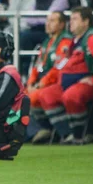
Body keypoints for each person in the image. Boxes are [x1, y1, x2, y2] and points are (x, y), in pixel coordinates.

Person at [36, 7, 93, 144]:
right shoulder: (75, 40)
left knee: (71, 96)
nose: (70, 22)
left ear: (86, 22)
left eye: (75, 19)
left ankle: (79, 134)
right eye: (70, 18)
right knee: (45, 95)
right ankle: (66, 133)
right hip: (70, 84)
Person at [27, 11, 73, 143]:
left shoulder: (65, 42)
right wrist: (30, 83)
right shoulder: (47, 42)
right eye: (47, 20)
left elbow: (58, 67)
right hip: (41, 82)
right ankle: (38, 131)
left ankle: (48, 129)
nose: (48, 24)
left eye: (52, 21)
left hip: (54, 82)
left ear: (62, 24)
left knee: (35, 97)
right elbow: (37, 66)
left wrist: (40, 84)